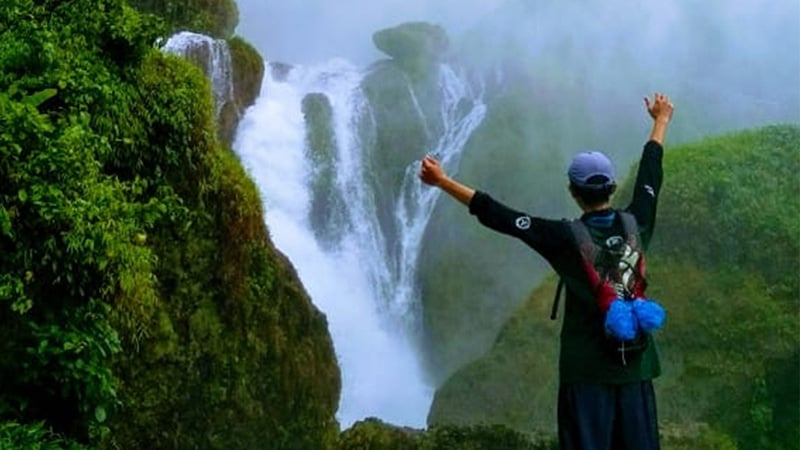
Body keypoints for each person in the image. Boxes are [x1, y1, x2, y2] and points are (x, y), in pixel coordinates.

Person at [419, 93, 674, 450]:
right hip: (637, 369)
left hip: (584, 374)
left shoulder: (563, 237)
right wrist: (660, 121)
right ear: (612, 188)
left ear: (573, 191)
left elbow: (500, 216)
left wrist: (442, 181)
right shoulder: (639, 221)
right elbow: (651, 177)